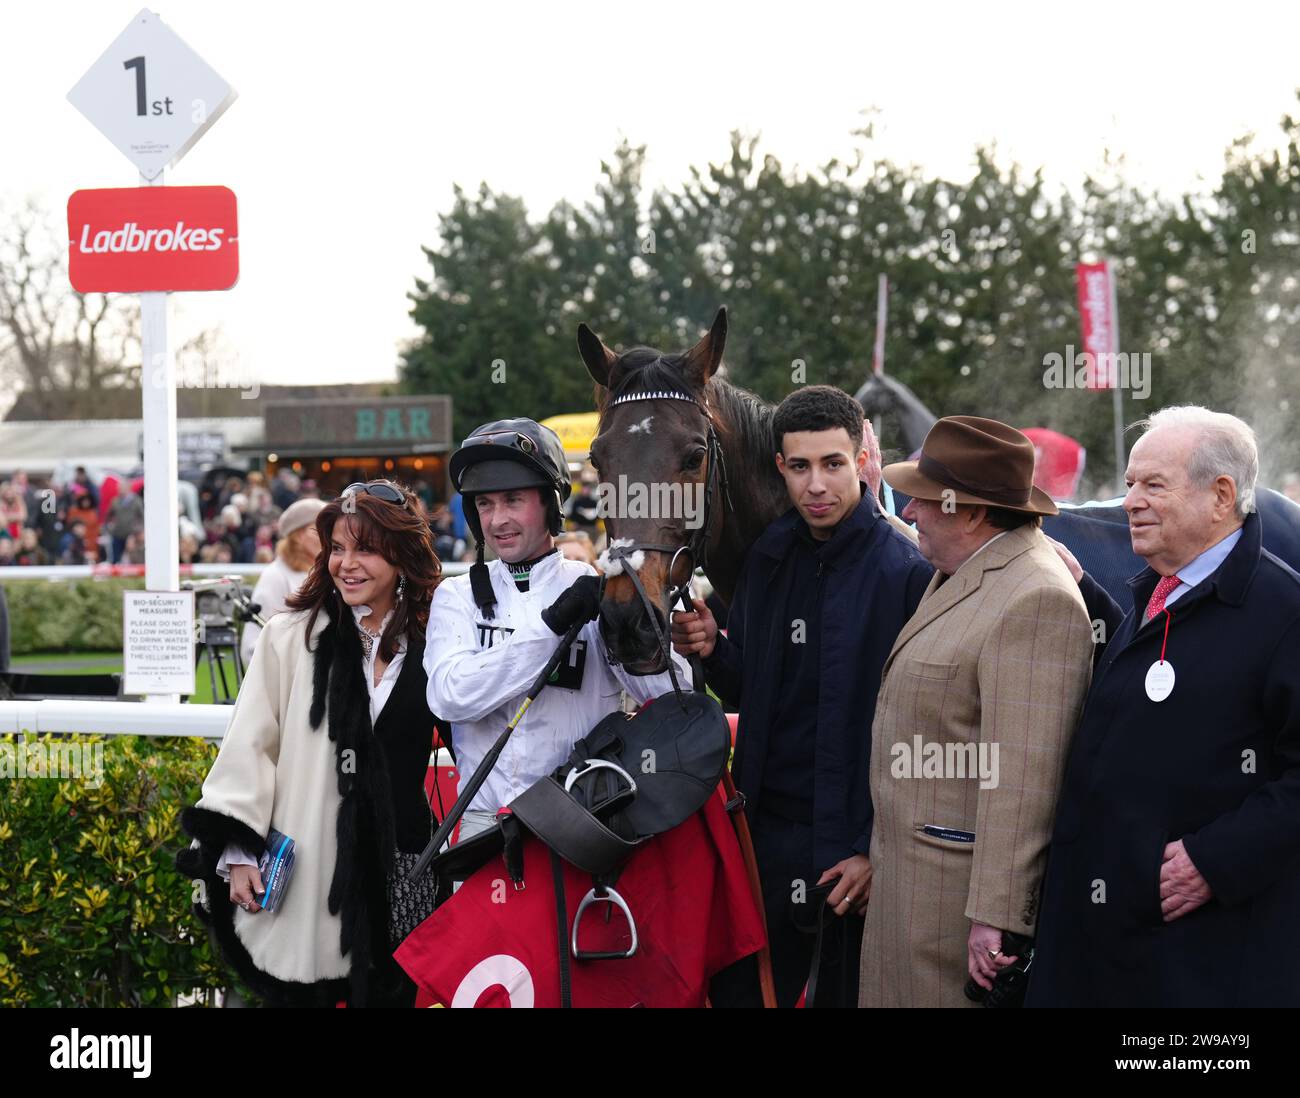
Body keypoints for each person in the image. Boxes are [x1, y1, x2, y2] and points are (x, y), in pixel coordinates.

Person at [1028, 407, 1300, 1007]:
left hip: (1203, 967)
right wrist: (1091, 604)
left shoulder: (1283, 611)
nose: (1130, 501)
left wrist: (1216, 859)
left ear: (1221, 495)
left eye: (1153, 485)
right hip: (1109, 947)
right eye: (1128, 484)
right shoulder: (1157, 591)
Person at [671, 386, 933, 1007]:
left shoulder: (907, 572)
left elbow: (923, 734)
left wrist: (872, 848)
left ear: (860, 459)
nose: (816, 484)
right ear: (780, 468)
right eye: (799, 467)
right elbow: (756, 693)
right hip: (765, 838)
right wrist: (714, 649)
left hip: (855, 853)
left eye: (832, 464)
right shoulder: (767, 559)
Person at [856, 416, 1094, 1007]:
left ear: (971, 512)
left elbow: (1025, 780)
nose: (908, 512)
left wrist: (998, 918)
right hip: (912, 890)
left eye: (923, 500)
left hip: (955, 916)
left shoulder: (1035, 596)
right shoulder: (964, 565)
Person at [179, 480, 446, 1006]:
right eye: (338, 548)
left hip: (406, 871)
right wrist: (238, 849)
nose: (346, 564)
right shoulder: (290, 637)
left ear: (403, 556)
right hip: (308, 876)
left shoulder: (438, 641)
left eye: (365, 549)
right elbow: (250, 745)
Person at [424, 418, 688, 843]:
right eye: (485, 504)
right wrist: (551, 626)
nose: (497, 519)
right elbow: (450, 697)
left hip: (583, 824)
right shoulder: (455, 596)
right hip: (482, 829)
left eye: (513, 499)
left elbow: (671, 699)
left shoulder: (598, 588)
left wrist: (644, 619)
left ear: (550, 504)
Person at [238, 498, 326, 665]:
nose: (328, 535)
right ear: (299, 536)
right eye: (320, 528)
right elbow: (252, 647)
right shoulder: (275, 576)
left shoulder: (325, 572)